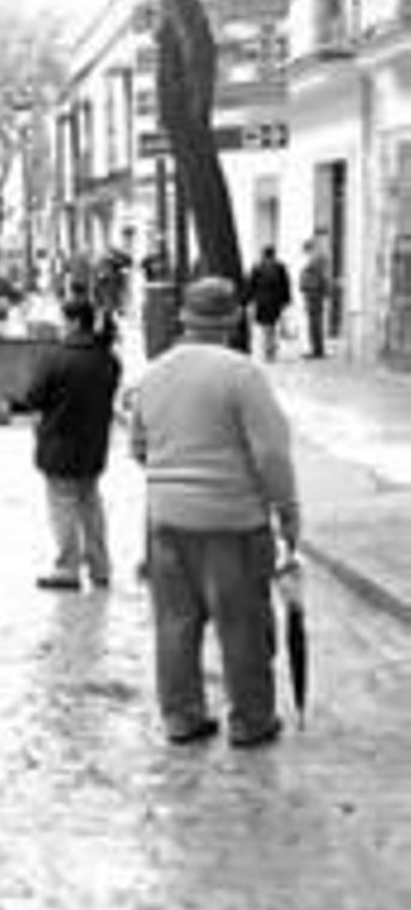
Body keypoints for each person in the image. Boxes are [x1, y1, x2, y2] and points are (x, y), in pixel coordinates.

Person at [129, 276, 300, 748]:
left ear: (184, 318)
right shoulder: (242, 374)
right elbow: (271, 454)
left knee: (174, 625)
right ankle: (251, 721)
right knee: (242, 624)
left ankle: (181, 716)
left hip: (165, 522)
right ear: (234, 319)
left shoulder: (153, 374)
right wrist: (287, 510)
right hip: (232, 522)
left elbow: (140, 448)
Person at [23, 299, 122, 592]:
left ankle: (67, 569)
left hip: (59, 448)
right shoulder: (108, 359)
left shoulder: (56, 358)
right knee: (90, 503)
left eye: (64, 320)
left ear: (76, 322)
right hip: (94, 447)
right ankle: (101, 567)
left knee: (63, 507)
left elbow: (32, 398)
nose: (61, 326)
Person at [248, 245, 293, 362]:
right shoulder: (279, 267)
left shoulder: (257, 267)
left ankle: (269, 348)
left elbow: (251, 285)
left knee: (266, 326)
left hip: (262, 301)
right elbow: (286, 284)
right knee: (271, 325)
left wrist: (249, 299)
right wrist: (286, 300)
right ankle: (270, 347)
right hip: (275, 301)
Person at [298, 238, 332, 359]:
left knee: (315, 323)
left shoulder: (316, 259)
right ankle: (316, 348)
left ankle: (317, 350)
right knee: (314, 323)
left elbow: (322, 277)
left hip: (314, 294)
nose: (305, 253)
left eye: (306, 250)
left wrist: (325, 291)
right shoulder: (317, 258)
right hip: (313, 293)